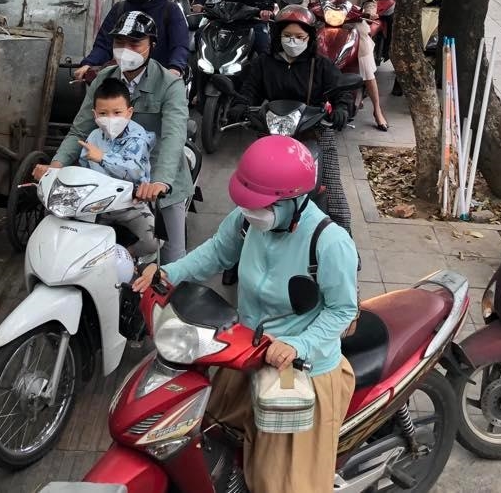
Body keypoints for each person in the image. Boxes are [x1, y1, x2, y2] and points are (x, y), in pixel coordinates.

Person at [132, 138, 357, 493]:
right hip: (245, 351)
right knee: (203, 437)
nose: (251, 212)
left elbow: (343, 309)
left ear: (295, 199)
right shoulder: (248, 220)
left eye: (261, 205)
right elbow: (217, 252)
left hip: (298, 370)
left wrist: (298, 345)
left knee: (277, 484)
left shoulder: (329, 243)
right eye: (248, 203)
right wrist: (168, 273)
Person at [47, 11, 194, 262]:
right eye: (119, 43)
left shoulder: (170, 85)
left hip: (156, 182)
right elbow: (80, 129)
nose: (126, 49)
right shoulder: (103, 79)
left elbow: (172, 138)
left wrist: (160, 183)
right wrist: (55, 165)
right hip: (105, 181)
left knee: (172, 258)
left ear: (152, 46)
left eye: (135, 43)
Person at [235, 6, 356, 232]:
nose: (293, 41)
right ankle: (239, 239)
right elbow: (249, 89)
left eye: (299, 37)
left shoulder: (320, 65)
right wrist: (240, 104)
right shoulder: (264, 63)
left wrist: (342, 108)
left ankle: (345, 239)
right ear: (277, 36)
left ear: (309, 38)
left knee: (332, 189)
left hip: (315, 131)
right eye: (287, 36)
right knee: (251, 185)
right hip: (272, 132)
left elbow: (342, 91)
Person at [309, 0, 390, 131]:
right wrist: (308, 9)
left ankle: (377, 110)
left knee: (366, 65)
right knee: (309, 55)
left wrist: (369, 12)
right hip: (326, 24)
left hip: (354, 24)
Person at [76, 77, 161, 259]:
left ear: (129, 112)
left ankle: (125, 256)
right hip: (97, 204)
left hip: (130, 203)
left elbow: (133, 170)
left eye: (117, 113)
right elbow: (83, 168)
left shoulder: (137, 138)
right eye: (103, 114)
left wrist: (102, 158)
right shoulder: (93, 137)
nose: (110, 119)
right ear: (95, 114)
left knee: (155, 240)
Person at [77, 0, 189, 79]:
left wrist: (175, 68)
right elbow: (103, 44)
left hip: (159, 79)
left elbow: (179, 45)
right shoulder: (119, 9)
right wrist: (89, 63)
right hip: (122, 78)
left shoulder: (170, 9)